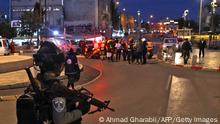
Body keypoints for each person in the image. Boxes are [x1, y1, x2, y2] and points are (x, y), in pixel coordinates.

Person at [33, 41, 90, 124]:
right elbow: (60, 120)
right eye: (61, 64)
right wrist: (81, 111)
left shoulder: (37, 82)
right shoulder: (56, 88)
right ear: (56, 65)